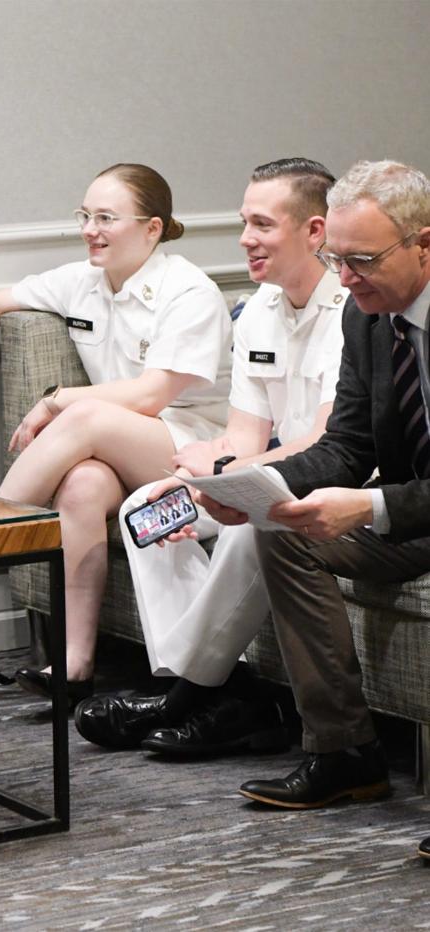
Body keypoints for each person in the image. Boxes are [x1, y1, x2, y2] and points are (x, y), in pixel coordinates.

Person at [0, 164, 233, 703]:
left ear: (153, 229)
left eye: (106, 218)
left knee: (83, 418)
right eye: (86, 216)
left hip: (199, 453)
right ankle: (73, 666)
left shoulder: (190, 292)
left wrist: (60, 401)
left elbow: (149, 397)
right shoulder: (83, 282)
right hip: (127, 446)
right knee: (83, 486)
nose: (91, 229)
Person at [76, 158, 349, 757]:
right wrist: (205, 476)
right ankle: (227, 691)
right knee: (149, 508)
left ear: (315, 231)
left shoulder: (352, 313)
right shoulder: (257, 313)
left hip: (334, 485)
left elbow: (335, 444)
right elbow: (246, 437)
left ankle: (186, 697)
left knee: (259, 524)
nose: (246, 238)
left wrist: (232, 479)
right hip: (272, 473)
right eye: (242, 222)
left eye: (262, 224)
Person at [203, 162, 430, 852]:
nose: (347, 278)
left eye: (363, 260)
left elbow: (366, 489)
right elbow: (346, 446)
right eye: (338, 259)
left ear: (425, 245)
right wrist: (249, 487)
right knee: (283, 533)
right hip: (416, 511)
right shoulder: (369, 321)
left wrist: (370, 508)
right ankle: (345, 755)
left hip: (408, 508)